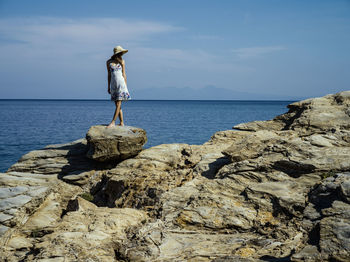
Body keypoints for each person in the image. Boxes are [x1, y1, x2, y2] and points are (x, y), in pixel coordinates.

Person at [106, 45, 131, 128]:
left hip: (121, 84)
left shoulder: (122, 62)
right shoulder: (108, 62)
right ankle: (122, 122)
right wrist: (108, 86)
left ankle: (113, 122)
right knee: (117, 104)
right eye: (120, 53)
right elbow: (109, 75)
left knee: (119, 103)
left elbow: (124, 74)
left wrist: (126, 86)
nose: (121, 55)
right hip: (113, 84)